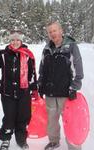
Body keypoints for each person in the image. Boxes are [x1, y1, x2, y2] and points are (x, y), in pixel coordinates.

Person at [38, 21, 84, 150]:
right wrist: (40, 85)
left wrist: (74, 87)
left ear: (61, 30)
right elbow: (42, 69)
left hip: (66, 93)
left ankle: (74, 146)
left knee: (70, 121)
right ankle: (54, 141)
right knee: (51, 120)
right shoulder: (47, 48)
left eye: (54, 30)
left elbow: (78, 68)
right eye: (50, 31)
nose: (53, 33)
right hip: (50, 92)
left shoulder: (71, 46)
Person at [0, 30, 38, 150]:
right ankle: (6, 139)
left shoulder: (27, 54)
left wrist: (34, 88)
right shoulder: (3, 54)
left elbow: (32, 73)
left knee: (23, 117)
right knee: (9, 117)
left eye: (17, 40)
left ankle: (21, 140)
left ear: (21, 41)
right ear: (9, 41)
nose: (15, 42)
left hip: (23, 92)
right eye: (12, 40)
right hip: (7, 92)